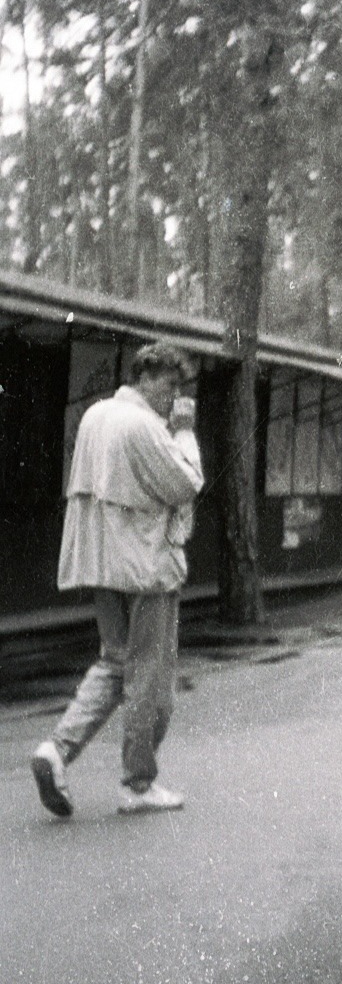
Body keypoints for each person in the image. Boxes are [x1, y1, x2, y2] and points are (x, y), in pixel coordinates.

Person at [31, 341, 204, 818]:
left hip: (102, 564)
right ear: (145, 377)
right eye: (170, 385)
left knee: (114, 662)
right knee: (149, 676)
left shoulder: (95, 416)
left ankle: (57, 749)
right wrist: (185, 432)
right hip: (148, 568)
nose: (173, 395)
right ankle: (138, 783)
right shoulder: (145, 426)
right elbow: (186, 483)